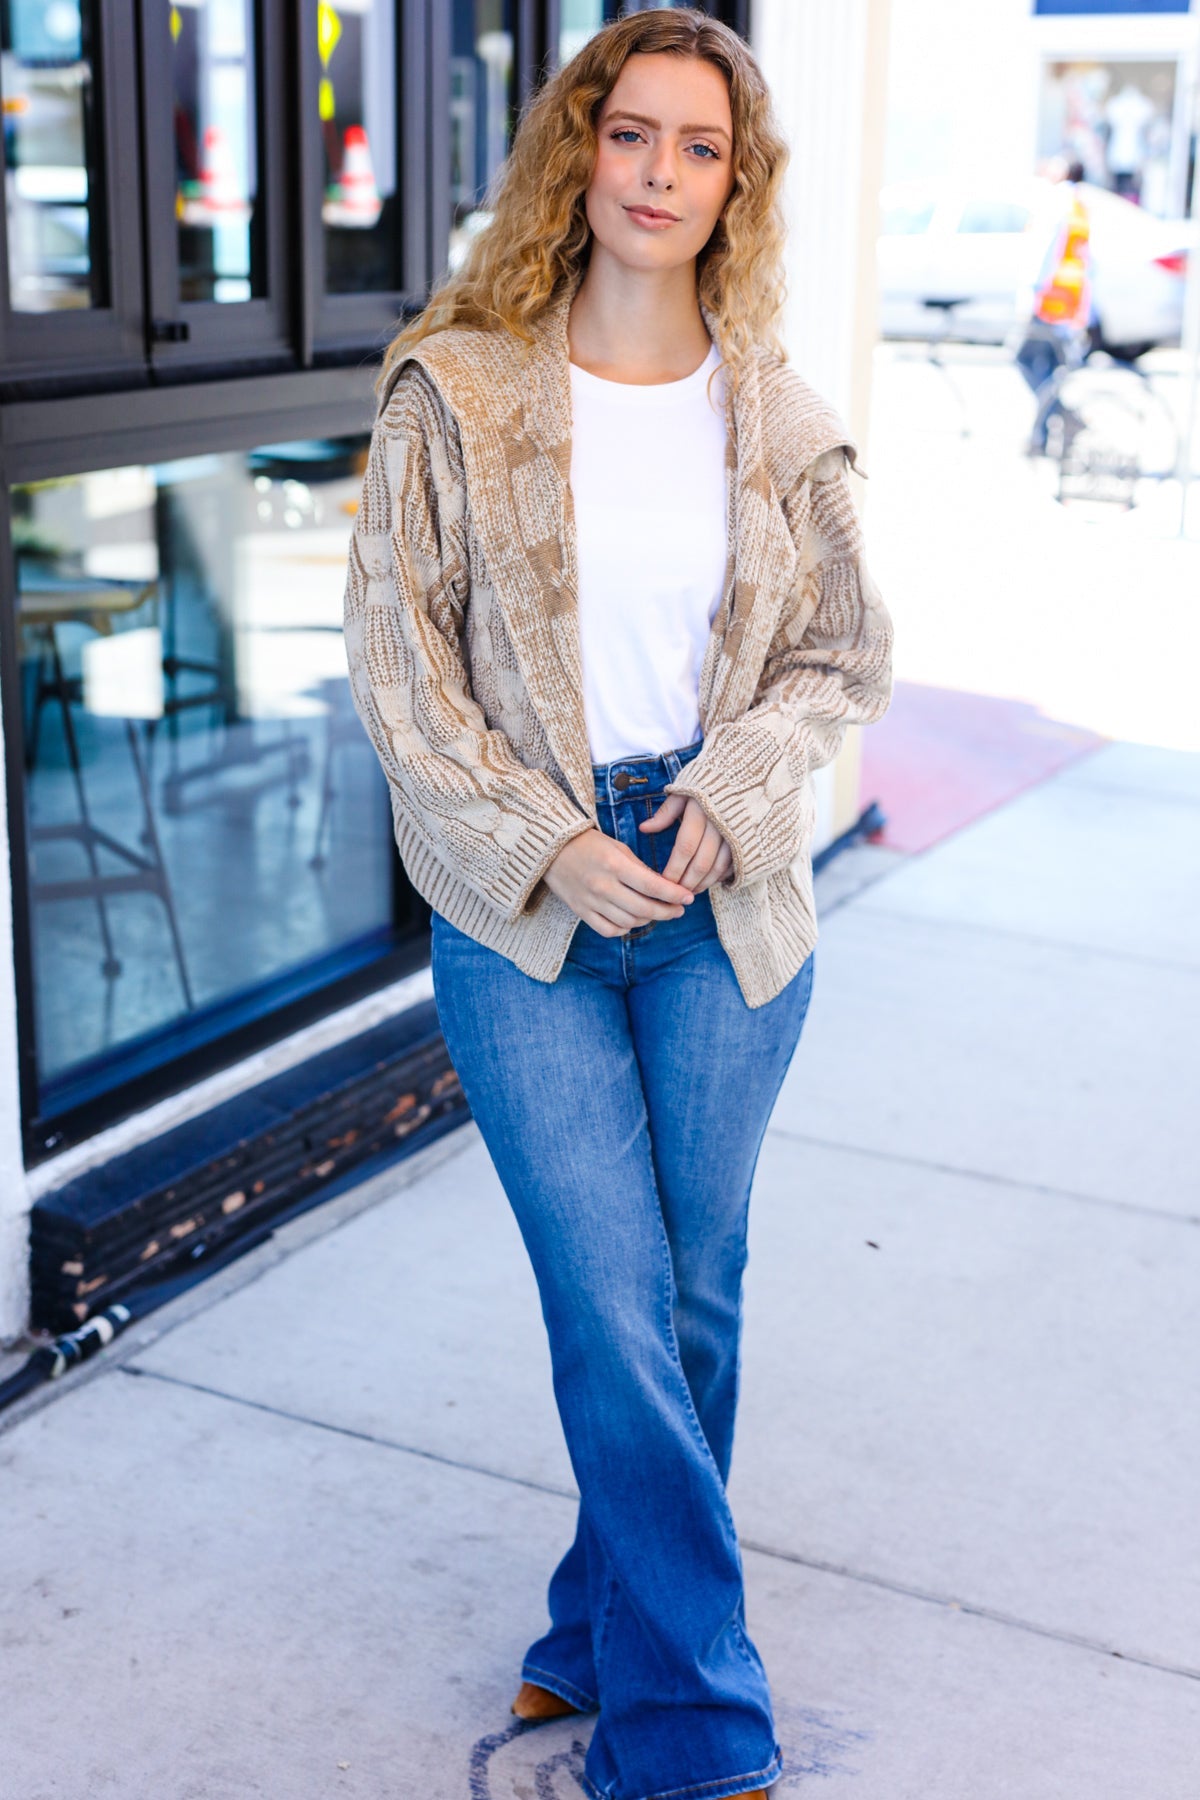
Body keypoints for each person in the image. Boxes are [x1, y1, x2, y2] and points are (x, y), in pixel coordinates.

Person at [342, 12, 893, 1799]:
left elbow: (837, 659)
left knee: (693, 1304)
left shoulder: (779, 415)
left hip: (722, 899)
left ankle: (599, 1625)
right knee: (611, 1306)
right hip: (532, 913)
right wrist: (541, 839)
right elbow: (402, 671)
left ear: (738, 182)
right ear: (579, 150)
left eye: (699, 146)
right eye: (631, 134)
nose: (660, 173)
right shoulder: (461, 385)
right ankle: (691, 1730)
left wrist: (731, 809)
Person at [1015, 160, 1095, 454]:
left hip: (1047, 302)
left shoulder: (1056, 202)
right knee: (1047, 367)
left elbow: (1044, 252)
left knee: (1022, 358)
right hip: (1065, 304)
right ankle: (1043, 437)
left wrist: (1030, 295)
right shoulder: (1078, 206)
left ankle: (1063, 419)